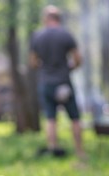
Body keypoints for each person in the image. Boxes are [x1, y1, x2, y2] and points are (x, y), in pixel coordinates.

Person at [30, 5, 85, 159]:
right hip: (64, 83)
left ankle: (53, 148)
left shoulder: (38, 36)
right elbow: (78, 59)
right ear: (58, 18)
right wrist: (70, 68)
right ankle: (80, 151)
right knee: (75, 118)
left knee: (50, 118)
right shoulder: (66, 35)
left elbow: (33, 62)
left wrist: (44, 67)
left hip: (46, 82)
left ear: (45, 19)